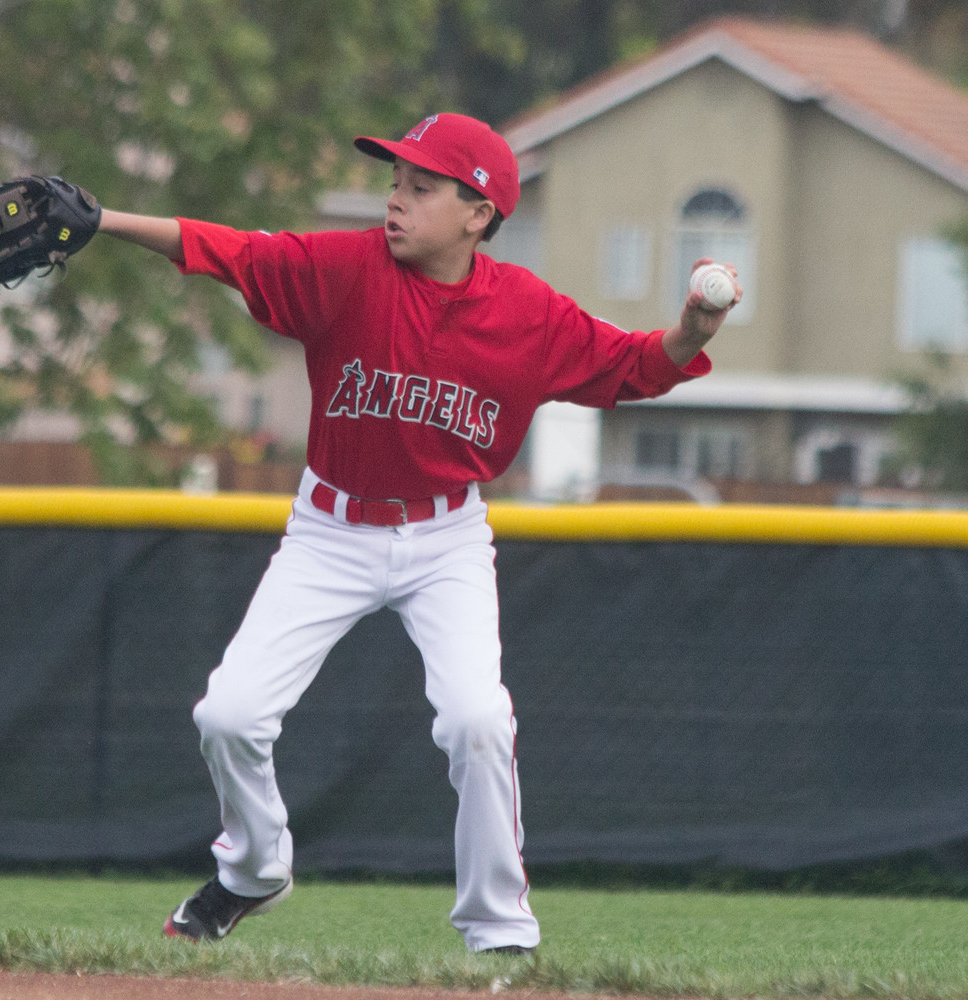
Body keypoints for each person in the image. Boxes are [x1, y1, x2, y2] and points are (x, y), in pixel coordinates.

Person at [96, 112, 739, 953]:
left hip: (446, 540)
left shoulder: (526, 313)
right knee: (228, 716)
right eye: (395, 181)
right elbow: (226, 250)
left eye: (421, 186)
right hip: (330, 530)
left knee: (478, 721)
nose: (396, 199)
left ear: (479, 213)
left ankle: (500, 931)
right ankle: (252, 870)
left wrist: (692, 331)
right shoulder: (345, 269)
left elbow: (636, 365)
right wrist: (101, 220)